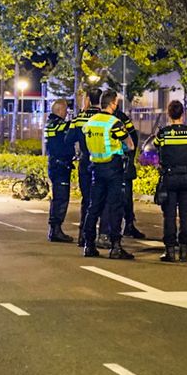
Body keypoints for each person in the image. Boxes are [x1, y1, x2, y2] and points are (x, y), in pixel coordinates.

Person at [80, 90, 135, 259]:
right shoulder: (114, 123)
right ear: (113, 104)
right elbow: (130, 145)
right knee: (114, 207)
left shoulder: (90, 122)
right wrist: (123, 147)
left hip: (96, 167)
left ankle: (89, 245)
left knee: (93, 206)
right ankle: (116, 247)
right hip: (113, 168)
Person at [153, 100, 187, 262]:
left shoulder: (163, 133)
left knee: (170, 215)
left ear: (169, 114)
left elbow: (155, 145)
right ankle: (184, 250)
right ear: (183, 114)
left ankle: (170, 250)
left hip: (170, 177)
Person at [67, 88, 103, 247]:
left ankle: (83, 236)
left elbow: (68, 139)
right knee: (104, 201)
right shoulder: (107, 118)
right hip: (103, 162)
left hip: (85, 162)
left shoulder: (79, 118)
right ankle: (103, 236)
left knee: (87, 200)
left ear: (87, 99)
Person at [43, 99, 76, 243]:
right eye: (65, 110)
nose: (66, 113)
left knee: (58, 197)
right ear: (59, 110)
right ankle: (56, 230)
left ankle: (54, 229)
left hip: (56, 165)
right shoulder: (56, 125)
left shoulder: (50, 124)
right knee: (61, 198)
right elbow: (71, 128)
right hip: (60, 166)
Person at [113, 99, 145, 240]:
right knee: (123, 196)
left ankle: (126, 225)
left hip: (114, 163)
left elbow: (132, 137)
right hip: (119, 162)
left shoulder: (118, 118)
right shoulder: (119, 118)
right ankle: (125, 226)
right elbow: (133, 137)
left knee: (123, 196)